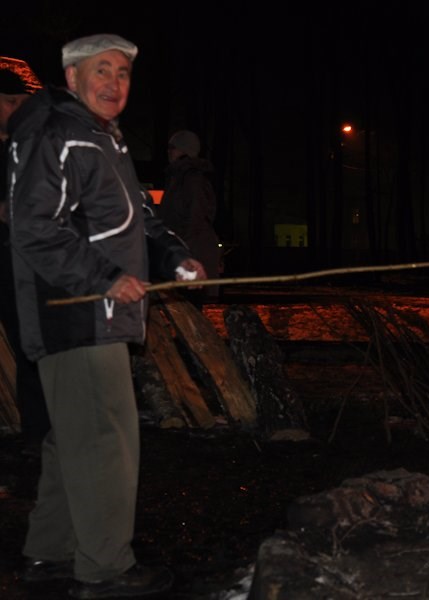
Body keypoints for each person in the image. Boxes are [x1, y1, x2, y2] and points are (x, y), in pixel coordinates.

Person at [6, 33, 207, 598]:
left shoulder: (103, 139)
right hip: (77, 314)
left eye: (121, 73)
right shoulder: (57, 133)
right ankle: (105, 569)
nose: (114, 83)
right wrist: (104, 279)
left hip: (101, 312)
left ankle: (49, 556)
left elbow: (141, 217)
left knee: (72, 439)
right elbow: (35, 229)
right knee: (104, 440)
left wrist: (175, 257)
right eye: (101, 71)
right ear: (72, 78)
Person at [0, 60, 51, 455]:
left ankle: (39, 430)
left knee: (31, 343)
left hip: (23, 264)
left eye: (20, 101)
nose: (15, 109)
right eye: (9, 101)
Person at [157, 129, 221, 304]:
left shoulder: (192, 180)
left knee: (193, 307)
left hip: (194, 253)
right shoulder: (177, 178)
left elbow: (195, 219)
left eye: (173, 147)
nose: (169, 151)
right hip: (186, 252)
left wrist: (182, 255)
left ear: (185, 150)